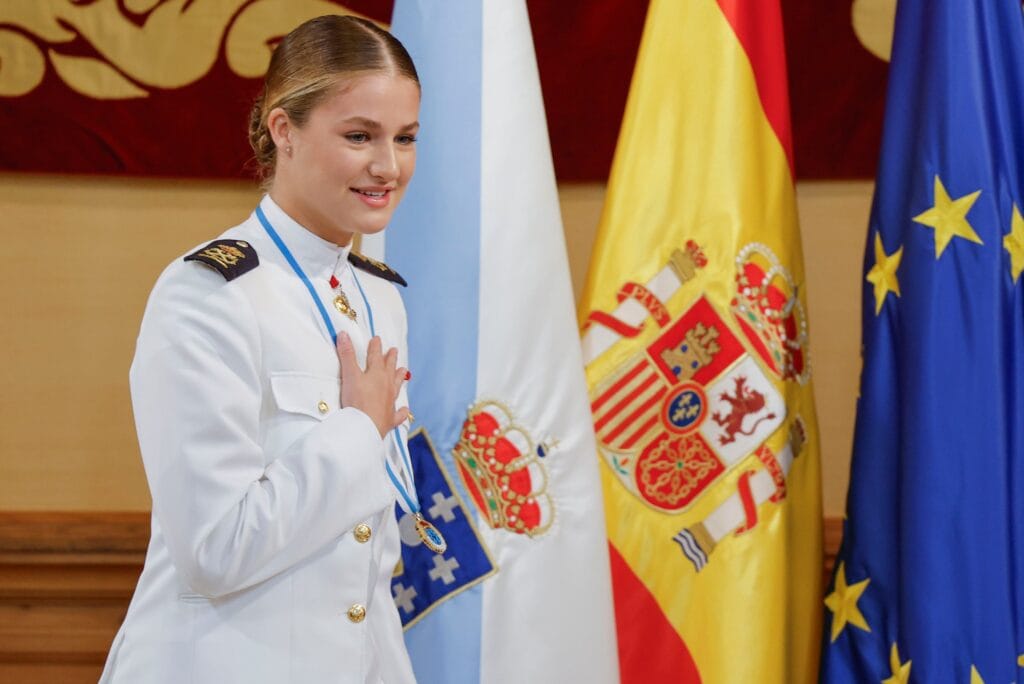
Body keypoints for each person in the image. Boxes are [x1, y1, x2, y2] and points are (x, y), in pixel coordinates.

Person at [100, 15, 424, 683]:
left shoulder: (378, 297)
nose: (388, 166)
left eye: (405, 137)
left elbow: (366, 562)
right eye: (359, 136)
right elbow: (214, 549)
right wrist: (358, 428)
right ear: (284, 130)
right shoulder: (208, 293)